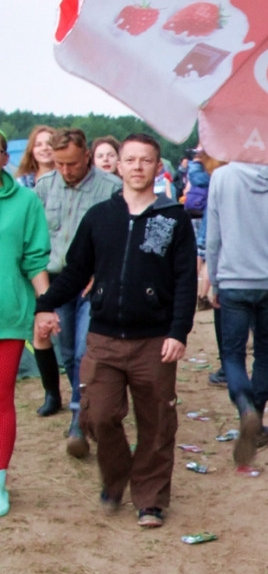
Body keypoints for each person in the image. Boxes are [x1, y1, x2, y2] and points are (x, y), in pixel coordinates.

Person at [34, 134, 197, 527]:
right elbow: (75, 271)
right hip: (104, 337)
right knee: (100, 416)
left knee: (157, 421)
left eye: (146, 160)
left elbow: (185, 280)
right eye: (130, 160)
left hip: (154, 340)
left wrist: (178, 331)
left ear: (158, 168)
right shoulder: (99, 217)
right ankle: (115, 475)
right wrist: (45, 304)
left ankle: (150, 500)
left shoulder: (173, 219)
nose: (137, 166)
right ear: (118, 166)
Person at [205, 162, 268, 466]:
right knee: (264, 352)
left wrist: (214, 279)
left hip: (233, 280)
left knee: (232, 354)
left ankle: (244, 407)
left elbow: (213, 237)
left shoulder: (221, 178)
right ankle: (257, 420)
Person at [34, 128, 121, 445]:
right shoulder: (44, 187)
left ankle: (77, 416)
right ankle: (82, 406)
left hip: (93, 283)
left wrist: (102, 273)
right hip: (58, 282)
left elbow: (121, 237)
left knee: (86, 351)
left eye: (71, 163)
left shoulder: (112, 188)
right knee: (68, 352)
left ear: (87, 155)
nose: (66, 171)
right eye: (59, 164)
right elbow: (38, 240)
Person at [0, 131, 51, 516]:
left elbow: (35, 259)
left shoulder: (25, 201)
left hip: (8, 316)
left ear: (4, 157)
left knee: (1, 401)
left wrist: (45, 307)